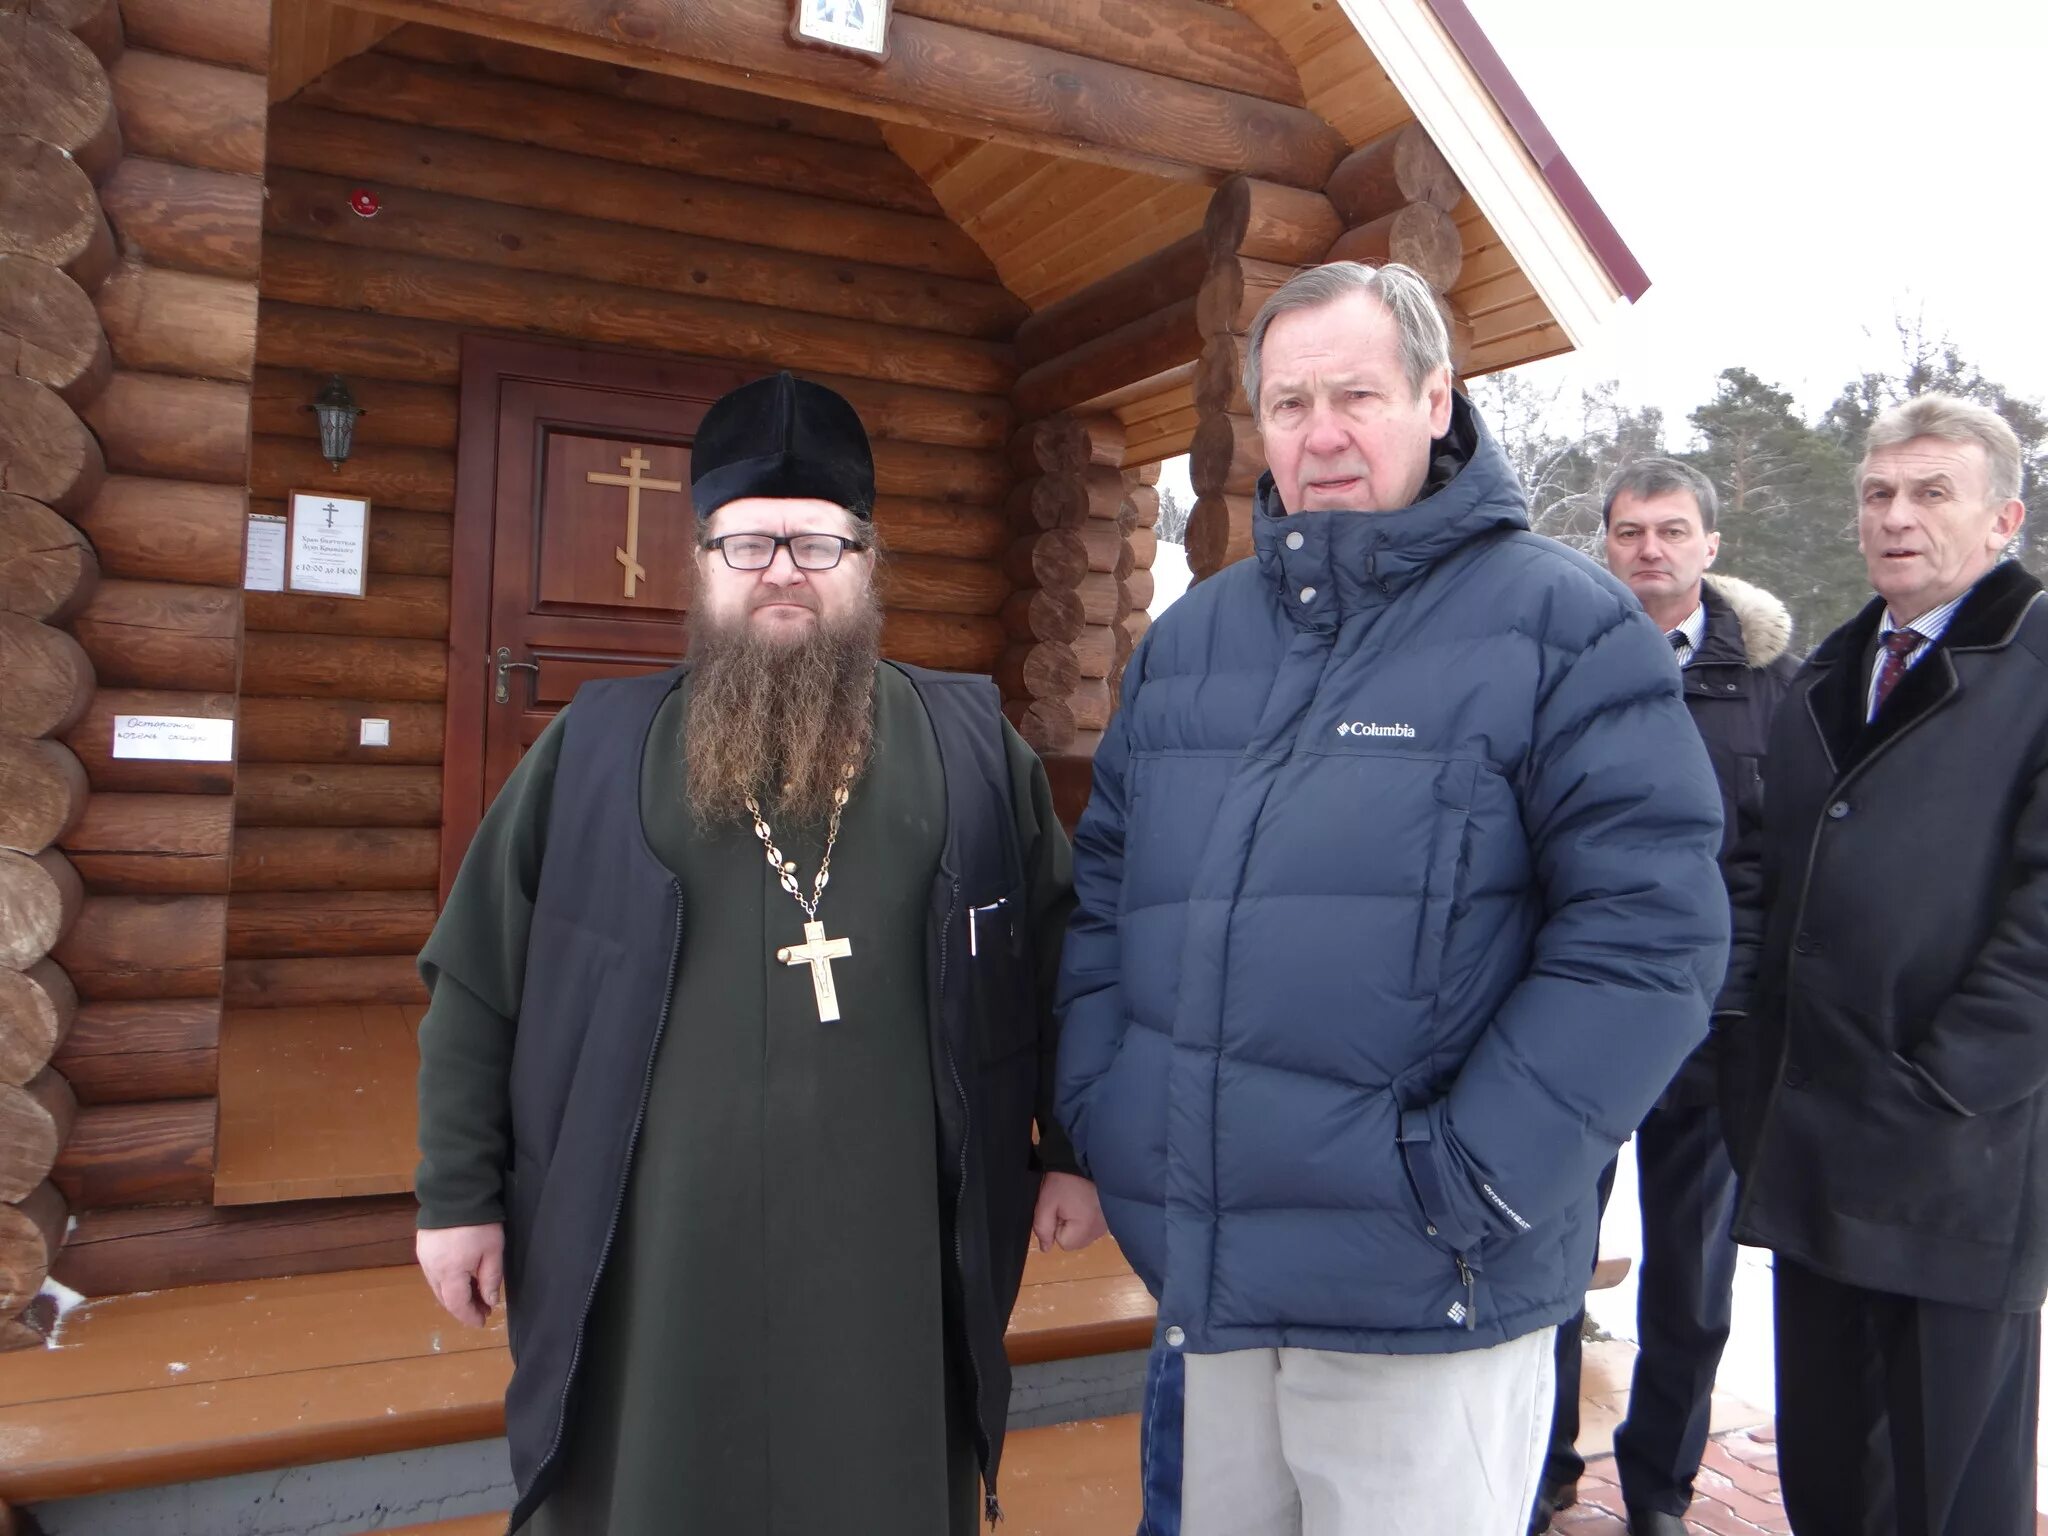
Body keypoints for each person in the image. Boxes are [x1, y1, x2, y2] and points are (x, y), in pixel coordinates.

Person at [1054, 261, 1730, 1535]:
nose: (1320, 434)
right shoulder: (1195, 640)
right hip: (1206, 1286)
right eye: (1288, 402)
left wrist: (1462, 1180)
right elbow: (1107, 898)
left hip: (1427, 1297)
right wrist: (1105, 1109)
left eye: (1354, 394)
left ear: (1434, 399)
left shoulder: (1562, 627)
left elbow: (1651, 943)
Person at [411, 371, 1105, 1535]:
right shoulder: (589, 751)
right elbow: (478, 984)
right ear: (701, 565)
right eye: (747, 544)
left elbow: (1062, 961)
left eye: (815, 543)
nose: (781, 568)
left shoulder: (973, 750)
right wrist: (456, 1195)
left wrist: (1073, 1148)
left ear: (866, 563)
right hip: (651, 1246)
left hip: (893, 1246)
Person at [1718, 393, 2045, 1536]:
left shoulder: (2036, 664)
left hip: (1952, 1156)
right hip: (1813, 1149)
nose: (1892, 517)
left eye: (1928, 493)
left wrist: (1945, 1080)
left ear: (2002, 517)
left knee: (1945, 1492)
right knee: (1827, 1476)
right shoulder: (1827, 673)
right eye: (1875, 493)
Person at [1533, 461, 1799, 1536]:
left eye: (1671, 531)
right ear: (1604, 546)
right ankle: (1544, 1467)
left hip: (1711, 1028)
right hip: (1579, 1021)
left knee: (1689, 1293)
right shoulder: (1560, 667)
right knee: (1547, 1268)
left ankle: (1657, 1495)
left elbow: (1786, 859)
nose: (1649, 549)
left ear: (1708, 546)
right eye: (1629, 532)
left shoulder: (1779, 687)